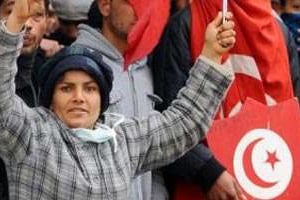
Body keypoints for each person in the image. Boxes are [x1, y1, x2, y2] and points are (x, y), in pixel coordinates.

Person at [0, 0, 236, 199]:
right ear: (50, 98)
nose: (79, 97)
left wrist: (211, 55)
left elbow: (184, 123)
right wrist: (14, 23)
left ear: (103, 99)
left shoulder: (121, 140)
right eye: (66, 88)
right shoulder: (30, 136)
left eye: (90, 89)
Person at [150, 1, 297, 199]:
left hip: (273, 178)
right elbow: (167, 122)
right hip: (203, 187)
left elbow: (294, 112)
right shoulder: (184, 25)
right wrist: (209, 173)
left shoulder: (279, 30)